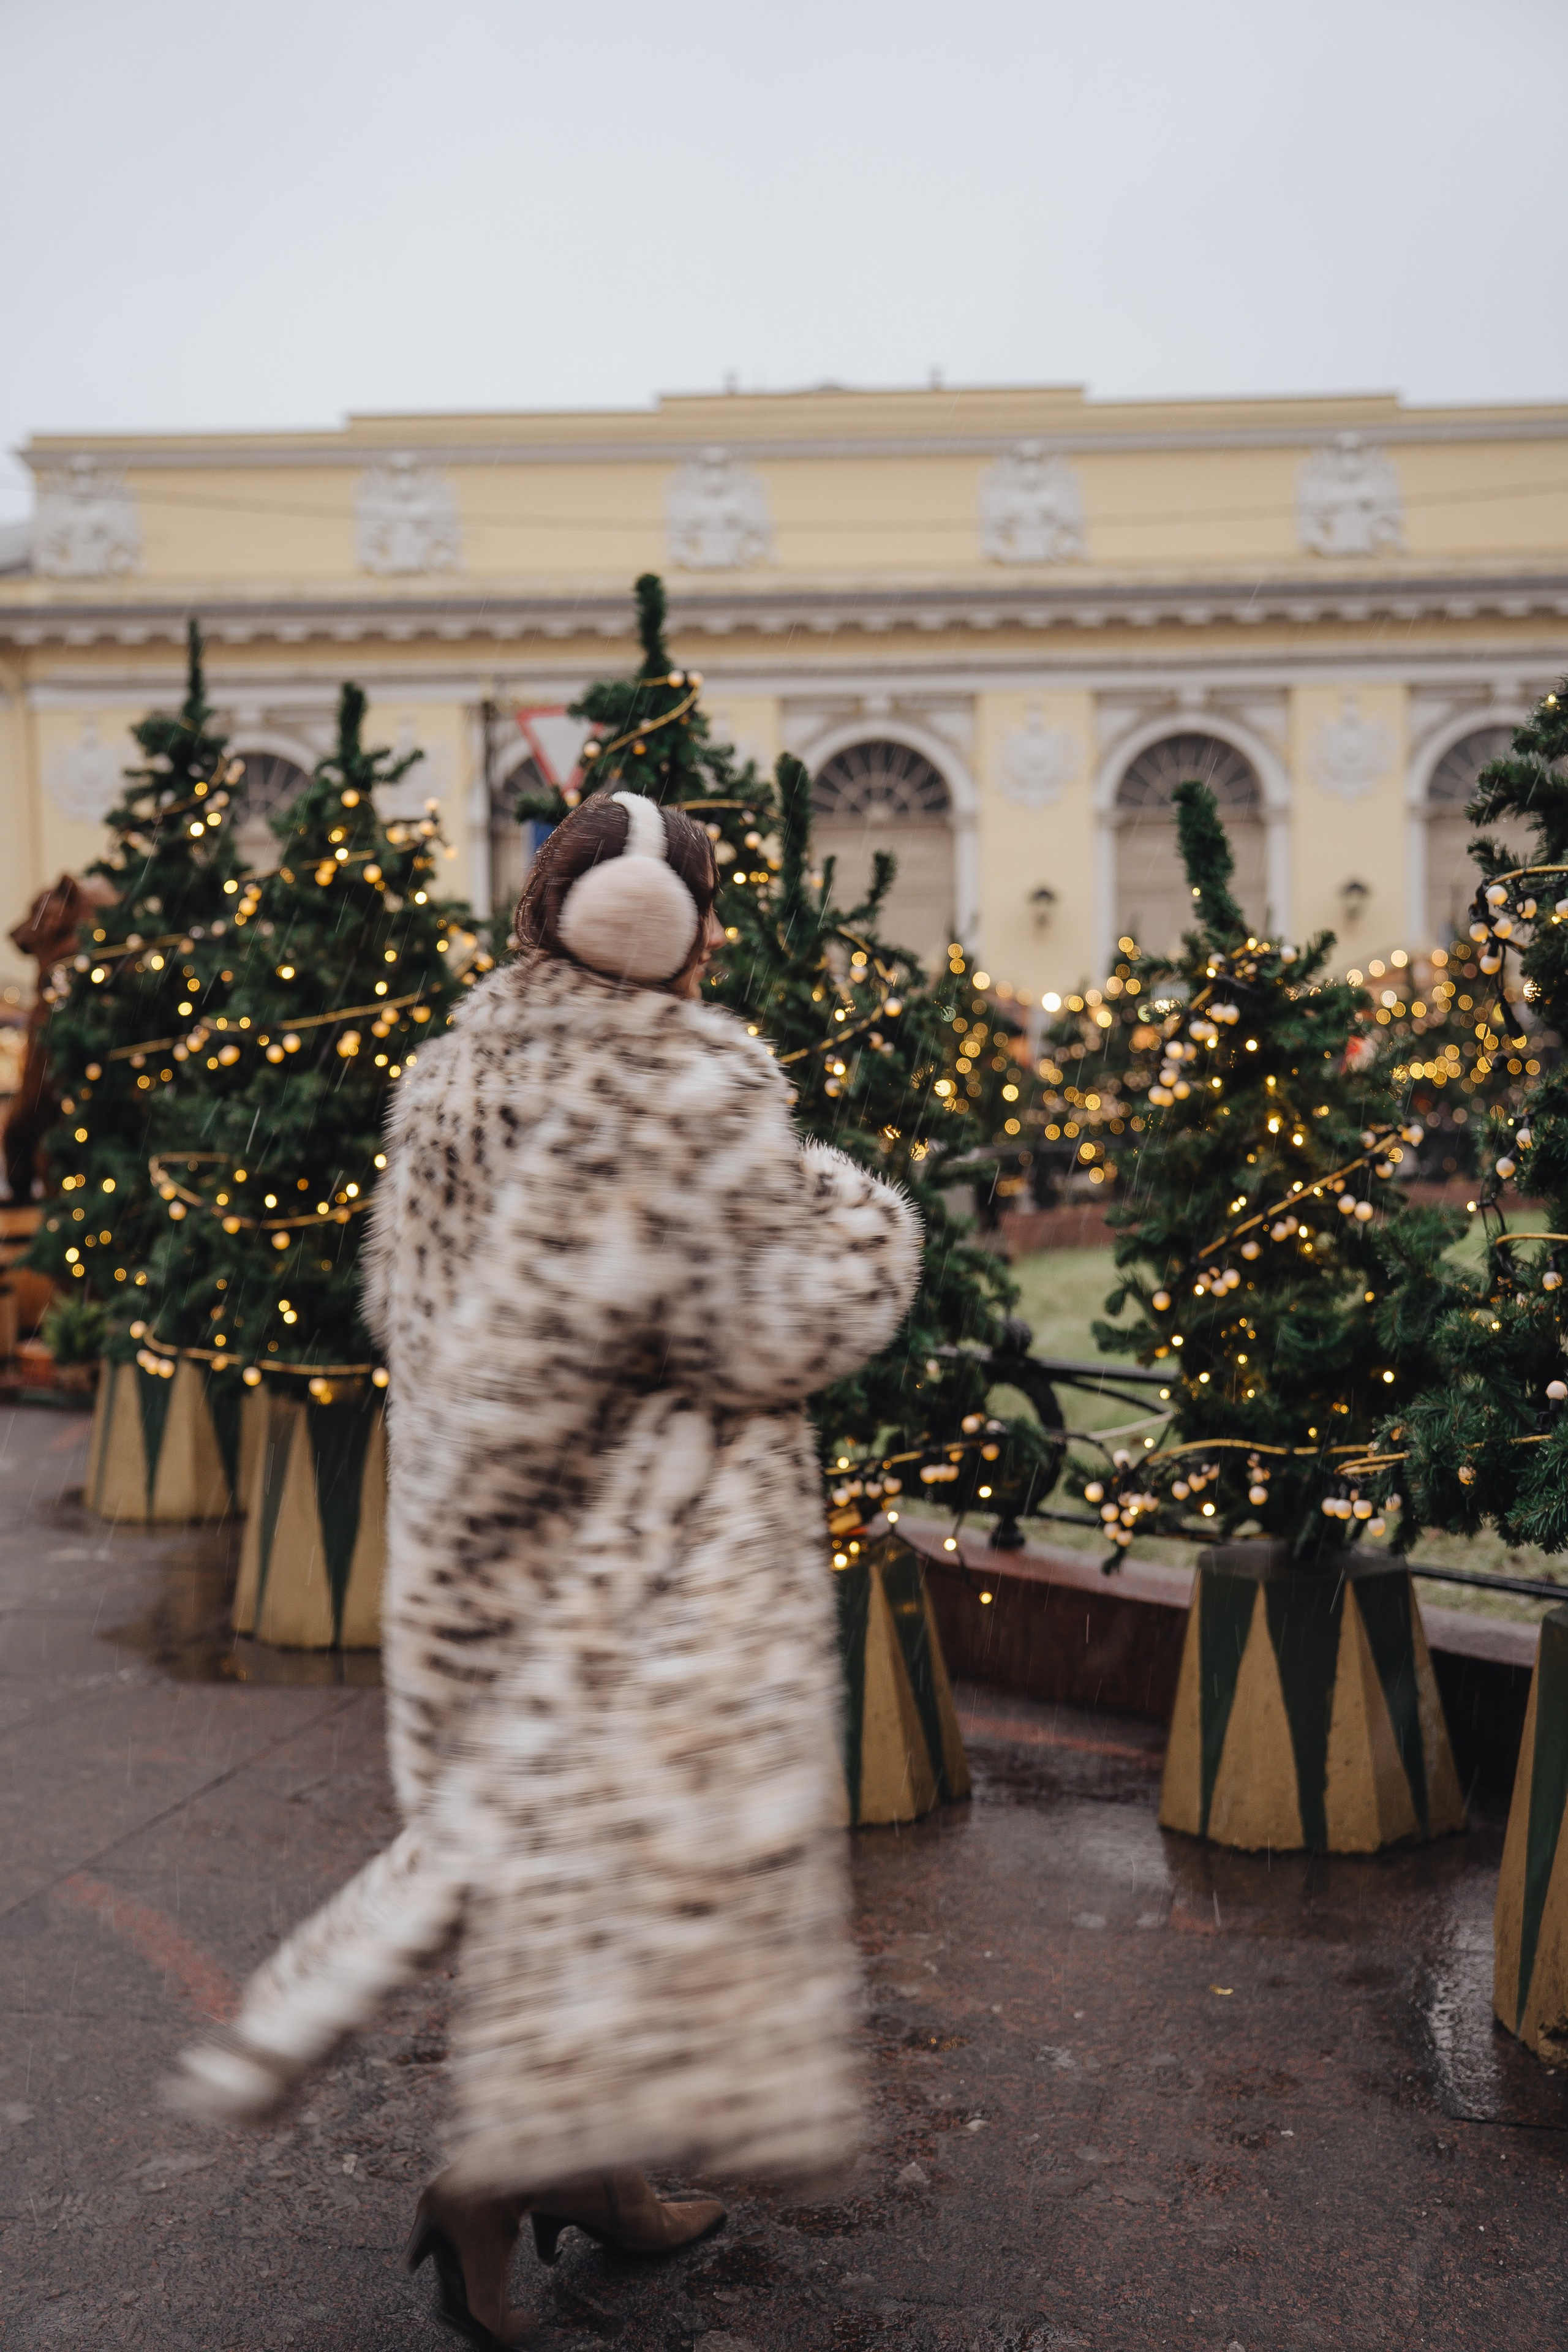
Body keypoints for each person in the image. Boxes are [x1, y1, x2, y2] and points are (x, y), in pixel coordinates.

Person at [172, 787, 922, 2346]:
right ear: (690, 929)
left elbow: (428, 1317)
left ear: (540, 912)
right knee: (640, 1871)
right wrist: (863, 1223)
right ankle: (507, 2173)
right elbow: (769, 1331)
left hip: (476, 1549)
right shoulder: (685, 1084)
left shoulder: (450, 1075)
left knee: (539, 1874)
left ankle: (586, 2171)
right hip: (648, 1564)